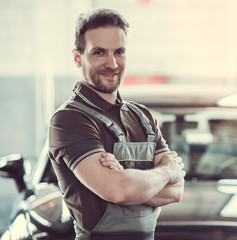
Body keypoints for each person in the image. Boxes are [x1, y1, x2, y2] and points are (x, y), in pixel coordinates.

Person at [48, 8, 186, 240]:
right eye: (99, 53)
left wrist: (129, 181)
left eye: (119, 52)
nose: (112, 63)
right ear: (77, 57)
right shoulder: (68, 120)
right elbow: (119, 190)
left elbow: (176, 191)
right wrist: (166, 171)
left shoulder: (143, 117)